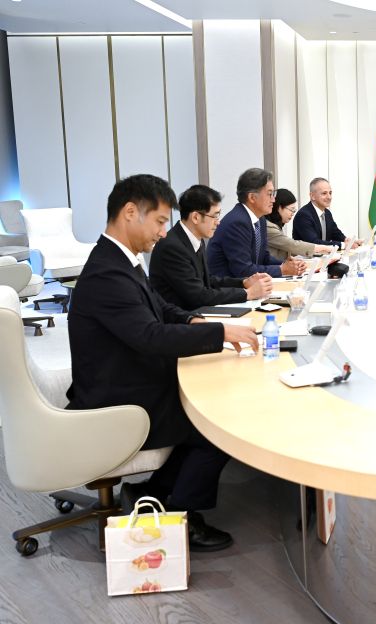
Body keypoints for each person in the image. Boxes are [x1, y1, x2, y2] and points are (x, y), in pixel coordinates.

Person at [66, 174, 260, 551]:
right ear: (130, 212)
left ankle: (150, 493)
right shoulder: (107, 272)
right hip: (118, 397)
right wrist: (220, 333)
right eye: (158, 221)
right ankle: (180, 515)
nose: (162, 232)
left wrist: (195, 321)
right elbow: (150, 336)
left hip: (129, 377)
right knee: (218, 421)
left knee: (210, 401)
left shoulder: (121, 259)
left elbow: (160, 307)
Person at [150, 184, 273, 310]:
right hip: (182, 317)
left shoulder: (196, 238)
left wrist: (243, 282)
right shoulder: (172, 247)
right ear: (196, 217)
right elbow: (198, 296)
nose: (218, 222)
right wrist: (248, 294)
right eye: (214, 216)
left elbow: (208, 280)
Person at [206, 168, 307, 278]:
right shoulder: (237, 222)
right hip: (228, 286)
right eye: (270, 194)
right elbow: (243, 270)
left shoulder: (260, 219)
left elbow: (264, 257)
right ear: (252, 197)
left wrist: (288, 265)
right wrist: (282, 270)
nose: (273, 200)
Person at [266, 188, 348, 279]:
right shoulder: (268, 226)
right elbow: (292, 245)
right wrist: (324, 248)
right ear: (279, 207)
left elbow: (335, 231)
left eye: (330, 193)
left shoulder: (327, 213)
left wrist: (345, 241)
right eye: (291, 210)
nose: (293, 214)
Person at [291, 177, 359, 251]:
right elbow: (314, 243)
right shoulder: (303, 215)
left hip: (324, 256)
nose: (329, 197)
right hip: (305, 257)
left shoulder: (327, 213)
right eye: (324, 193)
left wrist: (348, 241)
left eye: (330, 193)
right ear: (312, 196)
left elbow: (335, 233)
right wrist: (343, 245)